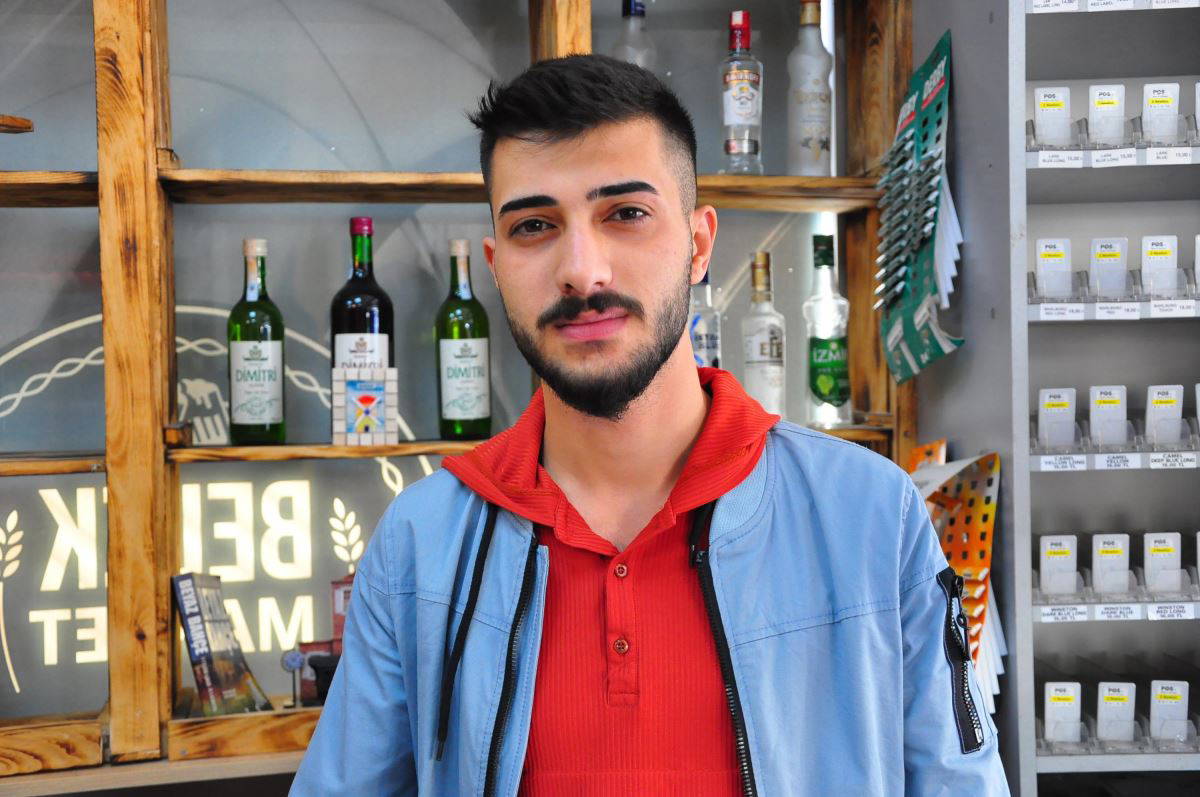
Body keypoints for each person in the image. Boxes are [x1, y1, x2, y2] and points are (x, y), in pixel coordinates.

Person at [292, 54, 1008, 796]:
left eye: (625, 214)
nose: (582, 270)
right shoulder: (420, 546)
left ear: (700, 245)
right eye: (535, 225)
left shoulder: (870, 515)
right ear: (496, 266)